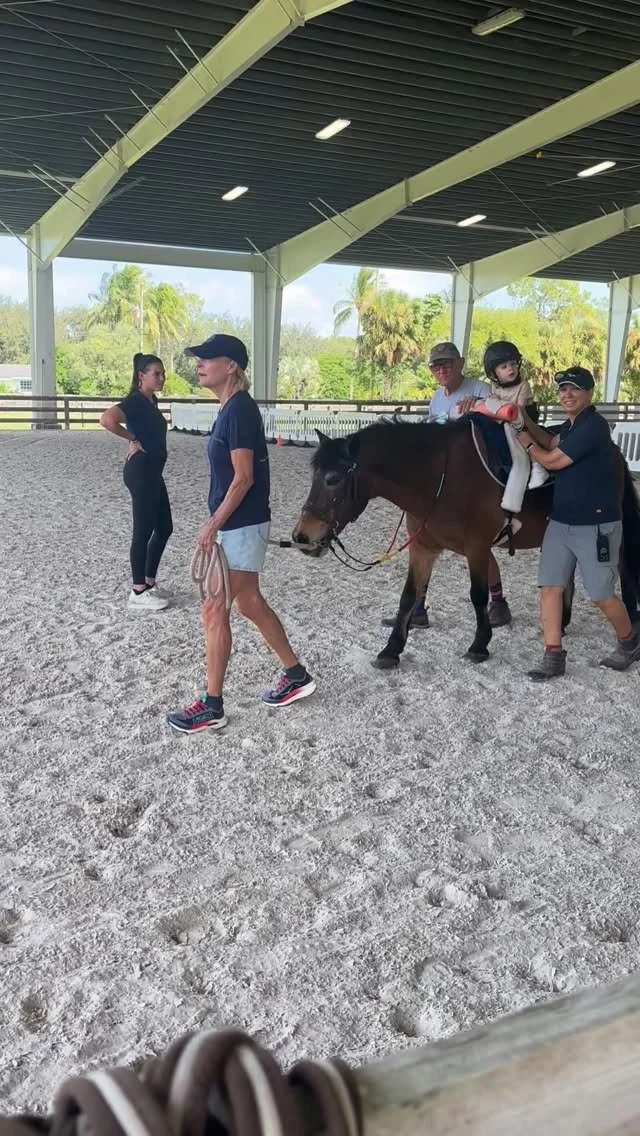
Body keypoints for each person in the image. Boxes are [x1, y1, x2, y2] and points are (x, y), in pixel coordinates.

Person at [167, 333, 315, 734]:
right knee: (247, 602)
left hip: (239, 523)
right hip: (241, 523)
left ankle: (212, 704)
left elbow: (243, 478)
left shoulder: (237, 412)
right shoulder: (231, 409)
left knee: (214, 609)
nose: (199, 365)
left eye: (207, 359)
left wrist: (212, 524)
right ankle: (296, 675)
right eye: (198, 359)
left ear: (231, 366)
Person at [517, 365, 640, 680]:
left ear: (589, 394)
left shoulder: (594, 426)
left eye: (574, 388)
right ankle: (553, 656)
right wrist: (523, 418)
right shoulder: (571, 427)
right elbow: (551, 438)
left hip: (596, 525)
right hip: (560, 521)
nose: (567, 394)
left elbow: (553, 459)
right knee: (550, 588)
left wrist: (527, 443)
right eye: (562, 390)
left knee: (600, 594)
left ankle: (629, 642)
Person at [383, 341, 511, 629]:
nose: (442, 370)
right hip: (442, 478)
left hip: (473, 477)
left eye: (447, 364)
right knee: (423, 538)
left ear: (460, 364)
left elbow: (500, 420)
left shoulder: (479, 388)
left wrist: (478, 407)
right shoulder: (437, 398)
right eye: (436, 366)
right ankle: (418, 606)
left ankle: (498, 600)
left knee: (476, 542)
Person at [100, 353, 173, 612]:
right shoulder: (135, 401)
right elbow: (107, 419)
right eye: (157, 373)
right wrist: (131, 438)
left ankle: (149, 582)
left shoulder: (150, 401)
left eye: (163, 373)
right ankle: (138, 591)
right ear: (141, 376)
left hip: (153, 471)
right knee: (142, 530)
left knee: (164, 527)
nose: (162, 378)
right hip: (141, 471)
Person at [457, 341, 547, 541]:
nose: (511, 369)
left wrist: (496, 407)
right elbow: (491, 401)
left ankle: (538, 465)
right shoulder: (495, 386)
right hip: (504, 419)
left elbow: (519, 411)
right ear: (494, 373)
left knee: (519, 452)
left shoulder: (523, 386)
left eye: (513, 364)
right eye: (504, 367)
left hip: (522, 421)